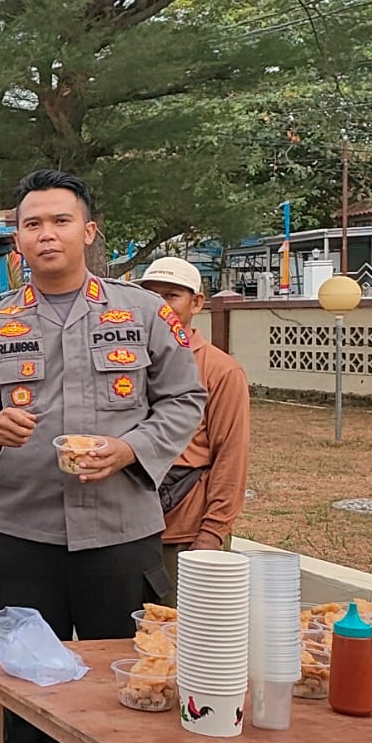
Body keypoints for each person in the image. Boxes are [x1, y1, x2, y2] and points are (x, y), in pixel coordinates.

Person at [0, 170, 205, 743]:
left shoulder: (141, 313)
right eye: (32, 223)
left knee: (134, 677)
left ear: (87, 231)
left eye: (59, 220)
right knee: (26, 678)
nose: (45, 233)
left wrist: (131, 449)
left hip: (119, 533)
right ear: (18, 240)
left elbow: (183, 400)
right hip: (25, 531)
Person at [137, 257, 250, 602]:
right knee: (128, 641)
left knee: (184, 638)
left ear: (197, 302)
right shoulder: (126, 362)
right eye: (151, 296)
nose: (160, 306)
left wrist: (211, 536)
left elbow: (231, 457)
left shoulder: (219, 370)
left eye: (172, 296)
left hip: (187, 531)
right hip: (128, 530)